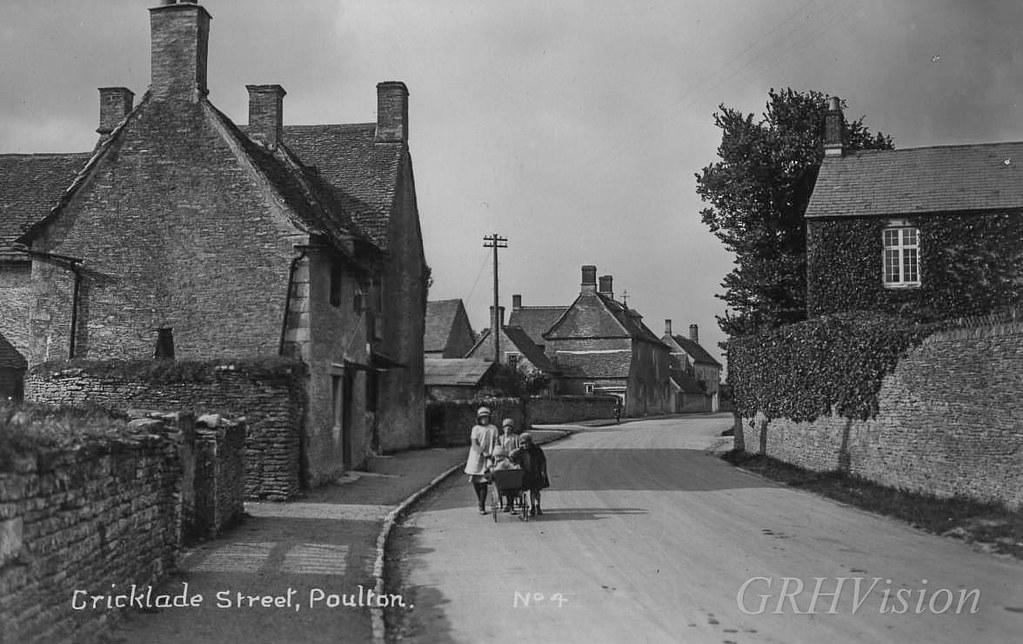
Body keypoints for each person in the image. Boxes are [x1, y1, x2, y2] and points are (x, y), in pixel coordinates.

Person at [464, 406, 498, 515]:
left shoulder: (493, 428)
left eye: (486, 417)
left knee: (484, 482)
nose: (484, 419)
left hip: (489, 457)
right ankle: (480, 501)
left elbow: (497, 442)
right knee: (476, 481)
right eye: (482, 417)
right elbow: (474, 444)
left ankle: (482, 505)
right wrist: (482, 452)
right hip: (476, 458)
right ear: (479, 418)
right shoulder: (476, 429)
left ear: (489, 418)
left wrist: (495, 453)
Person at [509, 432, 549, 516]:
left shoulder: (537, 449)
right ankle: (532, 506)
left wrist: (543, 471)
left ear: (530, 442)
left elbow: (542, 461)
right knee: (528, 490)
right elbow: (511, 458)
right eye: (522, 443)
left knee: (535, 491)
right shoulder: (520, 451)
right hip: (525, 474)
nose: (525, 445)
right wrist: (515, 455)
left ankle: (537, 506)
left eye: (526, 443)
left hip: (536, 473)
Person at [489, 443, 520, 512]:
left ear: (503, 455)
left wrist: (515, 467)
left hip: (507, 482)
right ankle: (507, 505)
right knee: (502, 490)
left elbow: (511, 466)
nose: (498, 458)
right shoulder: (494, 463)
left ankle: (510, 506)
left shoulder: (505, 461)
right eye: (497, 456)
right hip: (500, 482)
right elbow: (491, 470)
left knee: (510, 491)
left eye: (500, 456)